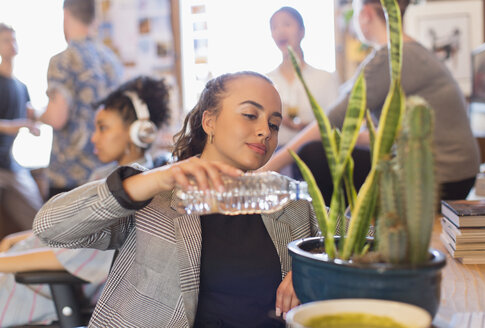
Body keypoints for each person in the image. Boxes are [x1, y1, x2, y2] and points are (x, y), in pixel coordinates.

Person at [33, 71, 320, 327]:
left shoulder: (290, 201)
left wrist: (313, 268)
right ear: (210, 121)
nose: (264, 132)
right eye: (250, 115)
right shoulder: (154, 196)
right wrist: (155, 179)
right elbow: (50, 226)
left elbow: (362, 239)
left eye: (274, 124)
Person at [262, 0, 480, 202]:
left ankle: (335, 234)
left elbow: (331, 121)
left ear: (365, 14)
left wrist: (267, 168)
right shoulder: (412, 51)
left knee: (311, 153)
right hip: (460, 174)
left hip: (439, 178)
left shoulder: (389, 57)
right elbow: (387, 134)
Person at [0, 75, 172, 327]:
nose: (94, 138)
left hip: (40, 285)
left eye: (103, 128)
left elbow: (70, 258)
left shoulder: (132, 193)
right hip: (24, 267)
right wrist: (14, 240)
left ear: (138, 133)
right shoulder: (103, 176)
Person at [39, 0, 123, 199]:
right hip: (105, 174)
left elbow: (57, 117)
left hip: (69, 175)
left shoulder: (63, 60)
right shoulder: (112, 60)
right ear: (94, 19)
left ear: (66, 15)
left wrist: (38, 114)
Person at [267, 6, 339, 148]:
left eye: (287, 24)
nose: (280, 31)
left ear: (302, 31)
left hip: (314, 153)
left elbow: (336, 124)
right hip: (275, 154)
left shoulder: (325, 78)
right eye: (274, 27)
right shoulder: (267, 82)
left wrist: (308, 128)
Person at [0, 23, 43, 235]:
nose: (12, 44)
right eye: (6, 40)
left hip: (10, 164)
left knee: (39, 220)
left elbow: (29, 116)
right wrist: (15, 126)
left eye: (14, 39)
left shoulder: (21, 86)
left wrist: (33, 126)